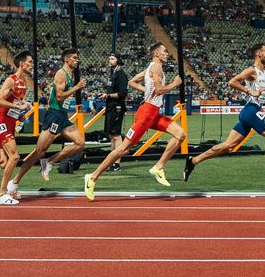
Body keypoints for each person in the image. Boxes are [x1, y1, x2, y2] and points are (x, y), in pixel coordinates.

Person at [82, 41, 183, 201]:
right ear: (156, 54)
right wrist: (175, 84)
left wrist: (147, 91)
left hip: (154, 114)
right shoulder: (155, 67)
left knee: (180, 134)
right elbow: (159, 90)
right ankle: (92, 177)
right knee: (123, 150)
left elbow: (132, 83)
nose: (167, 54)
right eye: (164, 51)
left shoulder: (150, 68)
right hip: (146, 115)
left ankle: (158, 167)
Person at [183, 42, 265, 191]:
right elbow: (232, 82)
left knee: (227, 146)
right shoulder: (252, 70)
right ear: (258, 54)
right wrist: (249, 92)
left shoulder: (264, 72)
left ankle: (193, 161)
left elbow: (261, 94)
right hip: (250, 111)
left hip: (251, 112)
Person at [13, 49, 88, 188]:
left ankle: (50, 162)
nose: (77, 60)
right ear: (67, 59)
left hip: (62, 115)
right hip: (54, 115)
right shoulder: (61, 74)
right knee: (39, 152)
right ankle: (15, 181)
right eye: (74, 58)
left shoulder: (70, 75)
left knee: (80, 143)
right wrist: (77, 87)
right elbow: (59, 97)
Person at [0, 51, 37, 205]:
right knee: (15, 157)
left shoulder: (24, 82)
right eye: (30, 62)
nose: (32, 65)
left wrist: (19, 114)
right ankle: (1, 194)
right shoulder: (11, 80)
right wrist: (17, 106)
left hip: (11, 122)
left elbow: (15, 103)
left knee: (5, 162)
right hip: (1, 121)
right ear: (21, 64)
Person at [103, 53, 126, 147]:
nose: (110, 60)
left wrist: (108, 95)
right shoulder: (114, 74)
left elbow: (123, 93)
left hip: (117, 107)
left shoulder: (120, 75)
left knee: (116, 135)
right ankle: (112, 158)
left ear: (118, 61)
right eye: (109, 59)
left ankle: (116, 161)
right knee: (111, 135)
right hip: (111, 106)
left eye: (112, 59)